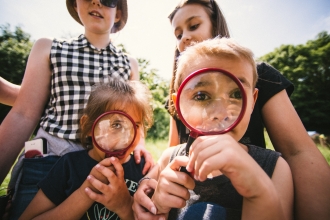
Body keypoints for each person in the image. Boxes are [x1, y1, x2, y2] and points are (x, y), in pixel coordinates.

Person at [159, 1, 329, 219]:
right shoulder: (180, 93)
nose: (184, 38)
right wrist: (152, 190)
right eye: (178, 34)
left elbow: (298, 152)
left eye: (193, 26)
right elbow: (171, 155)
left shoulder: (260, 74)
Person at [0, 0, 153, 218]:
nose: (96, 2)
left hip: (105, 163)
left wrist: (140, 144)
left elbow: (132, 114)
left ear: (118, 13)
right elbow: (24, 113)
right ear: (74, 4)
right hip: (50, 160)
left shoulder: (129, 63)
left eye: (108, 0)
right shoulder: (49, 48)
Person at [134, 37, 294, 220]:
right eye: (201, 96)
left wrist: (258, 192)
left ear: (253, 101)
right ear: (178, 105)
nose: (219, 113)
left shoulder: (275, 169)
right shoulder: (168, 161)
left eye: (235, 94)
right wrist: (158, 209)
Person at [19, 79, 154, 219]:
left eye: (136, 125)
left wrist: (125, 206)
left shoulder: (145, 172)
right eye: (116, 125)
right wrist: (85, 193)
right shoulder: (69, 165)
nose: (127, 136)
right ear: (89, 127)